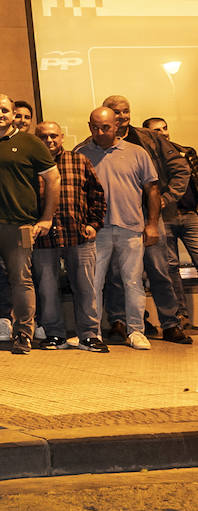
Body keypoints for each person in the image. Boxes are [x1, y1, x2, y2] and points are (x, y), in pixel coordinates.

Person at [0, 94, 59, 354]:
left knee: (22, 281)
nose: (1, 114)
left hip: (19, 226)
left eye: (5, 110)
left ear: (12, 113)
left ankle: (24, 334)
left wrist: (46, 217)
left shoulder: (30, 142)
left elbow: (53, 179)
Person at [99, 95, 190, 344]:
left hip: (150, 217)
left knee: (159, 271)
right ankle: (118, 322)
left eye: (125, 111)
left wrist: (165, 198)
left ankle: (170, 323)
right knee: (117, 275)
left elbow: (181, 169)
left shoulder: (150, 139)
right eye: (115, 112)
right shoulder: (95, 143)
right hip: (117, 219)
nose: (121, 116)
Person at [76, 107, 162, 351]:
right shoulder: (81, 153)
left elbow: (152, 189)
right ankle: (92, 334)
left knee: (133, 282)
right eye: (94, 127)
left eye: (105, 127)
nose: (100, 132)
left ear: (117, 126)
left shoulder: (137, 153)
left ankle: (136, 331)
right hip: (95, 230)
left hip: (131, 228)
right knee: (93, 282)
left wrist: (152, 224)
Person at [34, 121, 107, 352]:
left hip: (78, 235)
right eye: (44, 137)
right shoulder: (29, 164)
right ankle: (55, 334)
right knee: (46, 289)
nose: (49, 141)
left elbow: (97, 194)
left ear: (62, 137)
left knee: (86, 288)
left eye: (54, 136)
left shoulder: (79, 160)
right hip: (43, 239)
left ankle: (89, 335)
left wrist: (94, 224)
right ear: (36, 139)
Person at [142, 116, 198, 339]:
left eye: (165, 128)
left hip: (190, 214)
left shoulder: (186, 152)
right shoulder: (147, 155)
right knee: (170, 267)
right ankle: (180, 316)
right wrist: (162, 201)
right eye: (156, 130)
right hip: (165, 217)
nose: (163, 133)